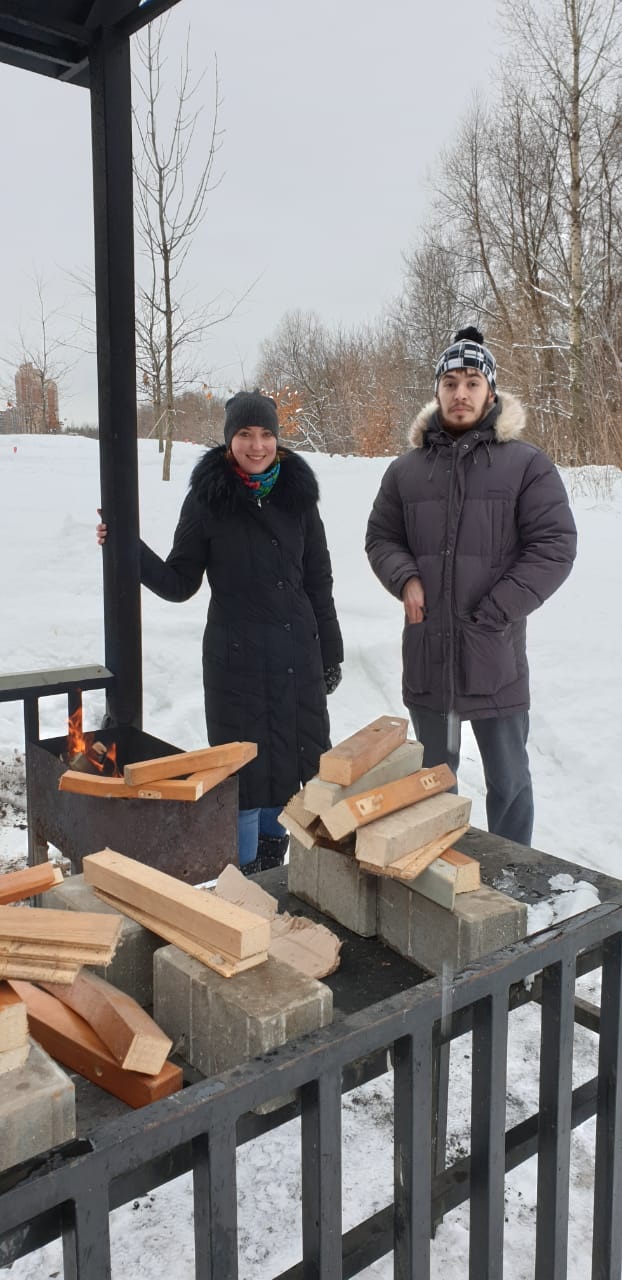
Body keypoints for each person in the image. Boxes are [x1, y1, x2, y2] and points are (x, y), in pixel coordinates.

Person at [97, 389, 343, 874]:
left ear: (278, 439)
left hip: (297, 660)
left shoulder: (298, 498)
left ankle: (276, 874)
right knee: (243, 779)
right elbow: (179, 582)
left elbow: (318, 580)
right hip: (238, 668)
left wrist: (330, 654)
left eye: (267, 434)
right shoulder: (209, 500)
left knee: (293, 773)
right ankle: (244, 879)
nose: (257, 446)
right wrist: (128, 549)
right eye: (245, 435)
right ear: (229, 440)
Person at [365, 327, 577, 847]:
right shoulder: (406, 471)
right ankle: (438, 868)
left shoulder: (526, 465)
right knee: (432, 782)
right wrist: (406, 578)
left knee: (508, 783)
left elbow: (554, 546)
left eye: (473, 381)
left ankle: (516, 876)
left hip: (494, 656)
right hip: (428, 652)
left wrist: (495, 611)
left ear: (491, 391)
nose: (461, 393)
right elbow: (381, 537)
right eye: (451, 382)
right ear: (436, 391)